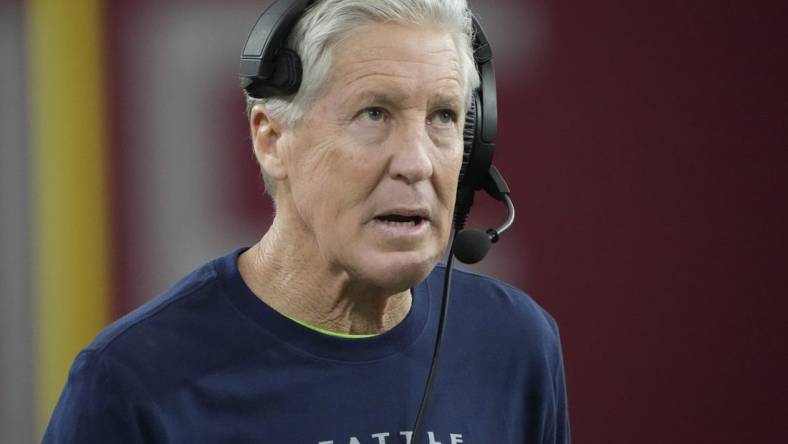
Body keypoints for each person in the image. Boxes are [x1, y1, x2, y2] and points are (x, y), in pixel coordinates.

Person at [44, 0, 570, 442]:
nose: (417, 162)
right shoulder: (131, 381)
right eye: (374, 113)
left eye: (443, 117)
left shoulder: (515, 344)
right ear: (271, 140)